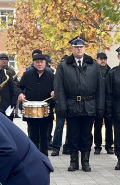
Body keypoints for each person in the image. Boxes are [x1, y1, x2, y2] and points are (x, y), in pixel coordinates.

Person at [54, 36, 105, 172]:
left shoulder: (93, 65)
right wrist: (61, 107)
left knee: (87, 135)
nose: (79, 49)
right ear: (72, 49)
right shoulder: (64, 66)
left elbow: (100, 88)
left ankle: (86, 161)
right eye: (76, 47)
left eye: (81, 47)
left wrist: (100, 107)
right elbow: (59, 88)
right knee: (73, 134)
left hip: (89, 105)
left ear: (84, 48)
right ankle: (73, 161)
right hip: (72, 105)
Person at [18, 50, 55, 155]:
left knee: (44, 135)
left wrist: (54, 92)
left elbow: (58, 88)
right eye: (37, 62)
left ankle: (44, 156)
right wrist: (20, 94)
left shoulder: (51, 76)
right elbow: (19, 87)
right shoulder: (27, 75)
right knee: (32, 134)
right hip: (31, 110)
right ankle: (33, 156)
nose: (39, 64)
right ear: (33, 63)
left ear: (45, 63)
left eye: (41, 62)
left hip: (45, 110)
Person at [93, 51, 114, 155]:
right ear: (97, 60)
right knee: (97, 126)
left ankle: (109, 146)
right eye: (101, 59)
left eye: (104, 59)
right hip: (98, 102)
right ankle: (97, 146)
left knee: (109, 126)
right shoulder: (94, 72)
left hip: (109, 102)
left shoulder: (111, 72)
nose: (103, 61)